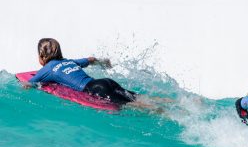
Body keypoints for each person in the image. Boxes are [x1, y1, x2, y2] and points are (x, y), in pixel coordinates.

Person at [26, 37, 155, 110]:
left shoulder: (48, 69)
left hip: (94, 89)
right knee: (136, 97)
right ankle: (164, 101)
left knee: (133, 105)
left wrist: (25, 87)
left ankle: (159, 111)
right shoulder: (69, 61)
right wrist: (104, 63)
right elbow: (90, 59)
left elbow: (29, 83)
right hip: (105, 81)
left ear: (42, 56)